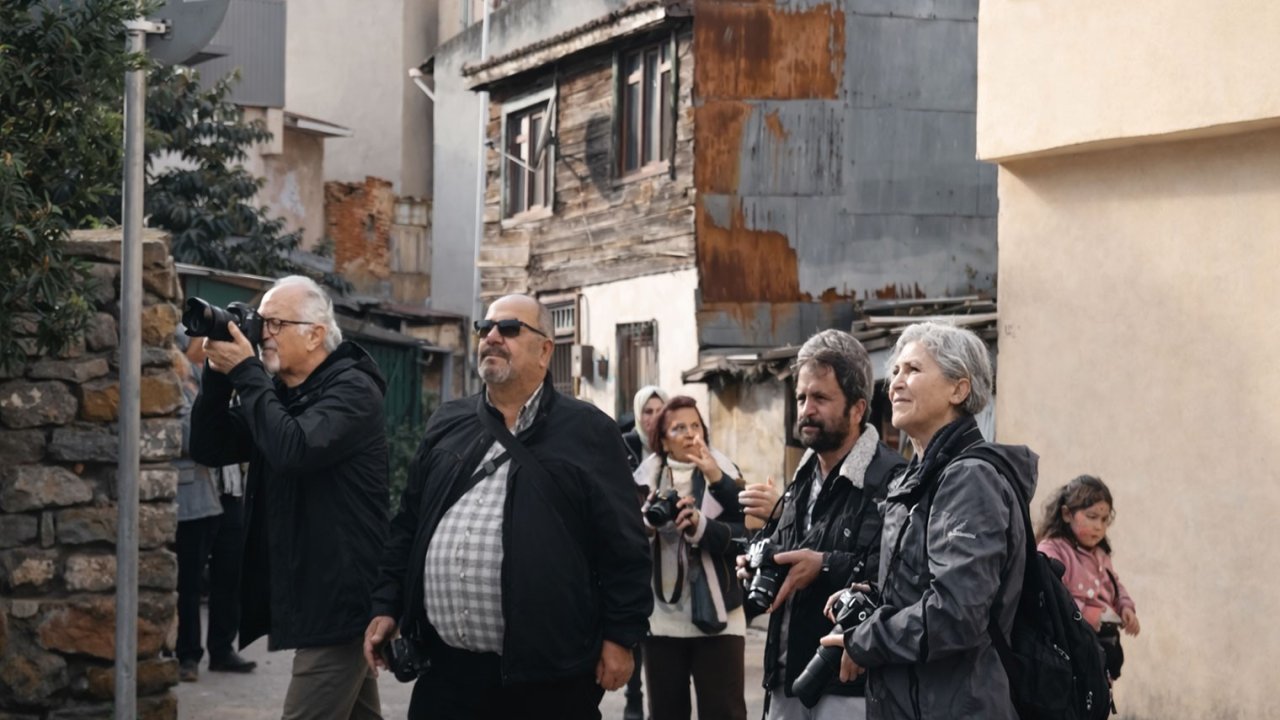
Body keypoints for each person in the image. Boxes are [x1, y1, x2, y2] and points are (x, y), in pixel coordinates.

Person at [363, 294, 652, 720]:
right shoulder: (448, 422)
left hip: (548, 680)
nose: (492, 336)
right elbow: (408, 524)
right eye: (486, 327)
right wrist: (387, 604)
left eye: (510, 328)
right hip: (446, 674)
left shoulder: (588, 431)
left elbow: (624, 546)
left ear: (545, 350)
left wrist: (621, 637)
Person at [191, 275, 389, 720]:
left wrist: (247, 373)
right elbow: (210, 447)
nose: (263, 333)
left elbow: (293, 449)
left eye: (275, 323)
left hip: (341, 600)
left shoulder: (353, 390)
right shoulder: (283, 392)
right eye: (261, 321)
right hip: (311, 591)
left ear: (316, 334)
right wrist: (218, 378)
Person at [818, 321, 1038, 720]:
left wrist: (865, 639)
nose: (896, 382)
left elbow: (957, 613)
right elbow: (925, 585)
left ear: (959, 388)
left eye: (914, 370)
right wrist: (874, 596)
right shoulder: (919, 477)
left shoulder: (969, 478)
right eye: (896, 370)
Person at [737, 330, 905, 720]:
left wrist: (825, 564)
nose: (806, 410)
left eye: (821, 398)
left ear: (858, 408)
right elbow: (788, 552)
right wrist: (758, 562)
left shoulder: (892, 478)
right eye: (801, 397)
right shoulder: (801, 477)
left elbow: (899, 577)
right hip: (785, 676)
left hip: (848, 685)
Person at [634, 395, 748, 720]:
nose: (689, 433)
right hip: (661, 620)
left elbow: (744, 535)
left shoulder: (724, 474)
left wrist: (701, 527)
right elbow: (623, 543)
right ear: (663, 441)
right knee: (666, 713)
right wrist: (646, 525)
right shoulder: (643, 481)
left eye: (695, 425)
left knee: (723, 713)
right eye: (678, 427)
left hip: (720, 619)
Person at [172, 333, 256, 682]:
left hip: (230, 492)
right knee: (189, 580)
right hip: (197, 497)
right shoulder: (176, 383)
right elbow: (188, 437)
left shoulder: (225, 378)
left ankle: (223, 649)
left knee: (230, 577)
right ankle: (187, 655)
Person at [1036, 475, 1140, 681]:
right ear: (1067, 514)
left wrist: (1125, 607)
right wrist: (1084, 613)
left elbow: (1114, 586)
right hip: (1071, 646)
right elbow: (1053, 596)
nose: (1099, 526)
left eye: (1104, 519)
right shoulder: (1052, 550)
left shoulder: (1101, 555)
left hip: (1105, 645)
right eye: (1092, 517)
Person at [172, 346, 225, 683]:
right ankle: (186, 653)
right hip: (187, 502)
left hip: (207, 500)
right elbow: (195, 439)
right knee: (186, 585)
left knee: (196, 582)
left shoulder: (196, 386)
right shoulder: (175, 391)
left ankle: (195, 651)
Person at [621, 384, 668, 720]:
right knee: (635, 625)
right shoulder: (624, 447)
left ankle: (658, 700)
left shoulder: (677, 446)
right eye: (647, 411)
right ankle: (633, 694)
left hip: (668, 551)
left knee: (661, 633)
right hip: (633, 545)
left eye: (658, 410)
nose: (653, 418)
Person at [623, 385, 670, 471]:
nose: (655, 417)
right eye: (648, 412)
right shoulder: (625, 445)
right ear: (638, 414)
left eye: (660, 411)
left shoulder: (674, 443)